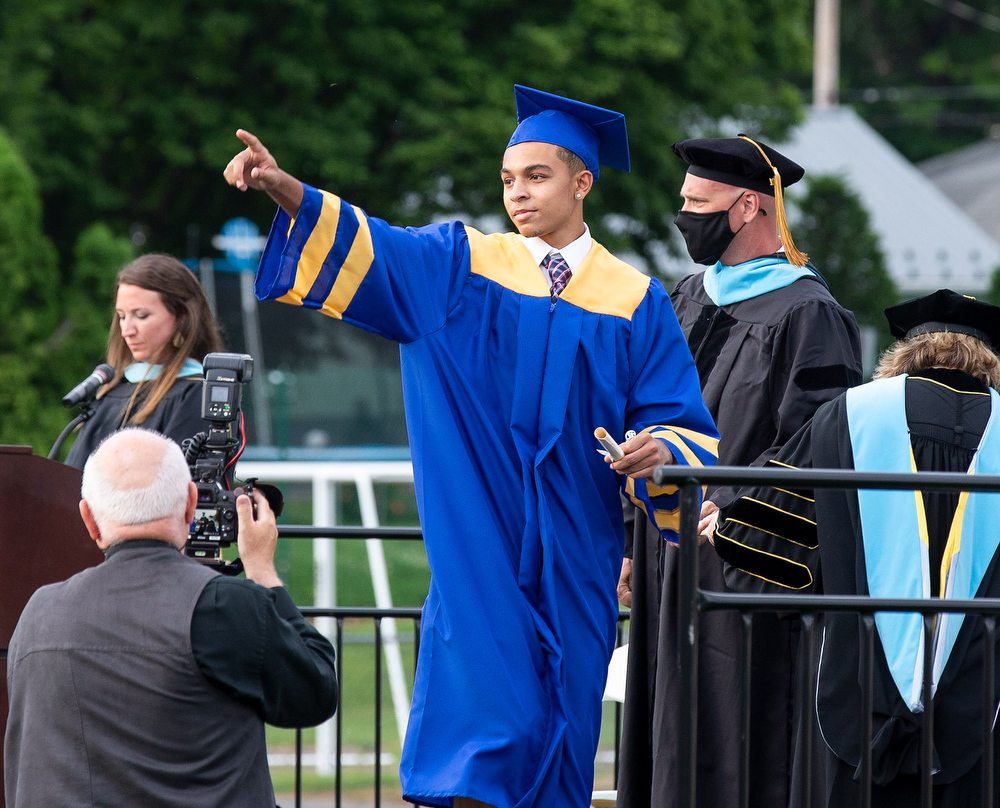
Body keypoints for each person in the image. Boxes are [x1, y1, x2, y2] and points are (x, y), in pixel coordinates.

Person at [223, 85, 719, 808]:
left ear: (583, 181)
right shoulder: (462, 267)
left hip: (578, 562)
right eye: (508, 180)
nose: (518, 194)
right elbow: (377, 248)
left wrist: (659, 453)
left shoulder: (634, 301)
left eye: (537, 176)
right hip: (477, 552)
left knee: (563, 741)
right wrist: (287, 190)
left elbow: (681, 424)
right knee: (482, 743)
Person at [616, 136, 862, 808]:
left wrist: (737, 512)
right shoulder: (688, 295)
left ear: (749, 205)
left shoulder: (809, 313)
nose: (683, 216)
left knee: (735, 734)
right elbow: (650, 417)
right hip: (667, 553)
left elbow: (821, 446)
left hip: (743, 564)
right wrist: (630, 535)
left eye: (698, 203)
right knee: (665, 725)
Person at [713, 289, 1000, 808]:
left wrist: (723, 526)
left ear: (905, 354)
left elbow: (768, 537)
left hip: (854, 688)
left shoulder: (850, 414)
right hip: (981, 700)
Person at [4, 428, 339, 807]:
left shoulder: (38, 614)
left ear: (90, 520)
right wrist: (262, 572)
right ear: (189, 504)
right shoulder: (224, 606)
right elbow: (317, 690)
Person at [64, 253, 224, 469]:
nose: (127, 331)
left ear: (181, 317)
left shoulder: (197, 393)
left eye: (141, 316)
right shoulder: (110, 390)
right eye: (121, 316)